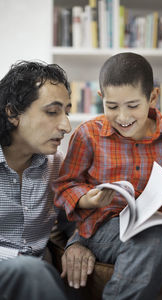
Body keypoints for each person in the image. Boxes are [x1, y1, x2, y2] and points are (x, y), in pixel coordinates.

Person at [53, 52, 162, 300]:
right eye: (112, 106)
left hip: (161, 220)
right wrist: (90, 199)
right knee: (157, 236)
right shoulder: (89, 134)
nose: (123, 117)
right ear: (102, 99)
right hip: (102, 228)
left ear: (152, 97)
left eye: (133, 106)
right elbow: (65, 186)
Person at [0, 60, 95, 300]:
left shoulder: (58, 167)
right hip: (16, 275)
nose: (66, 125)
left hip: (39, 280)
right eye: (52, 112)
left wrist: (76, 243)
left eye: (66, 112)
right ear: (12, 113)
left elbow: (77, 220)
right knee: (29, 270)